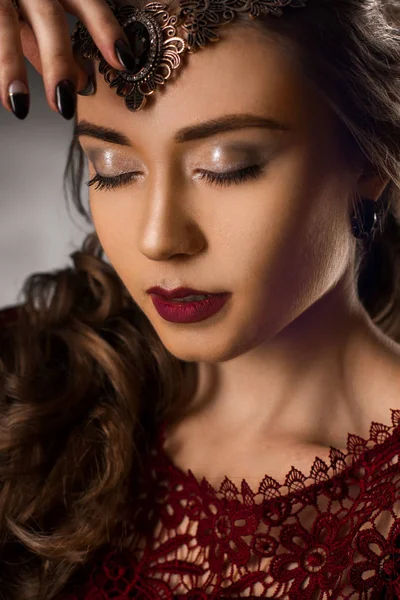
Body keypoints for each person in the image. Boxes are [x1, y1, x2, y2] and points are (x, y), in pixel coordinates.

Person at [1, 0, 400, 597]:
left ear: (369, 161)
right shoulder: (30, 385)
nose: (159, 239)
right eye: (111, 168)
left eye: (227, 165)